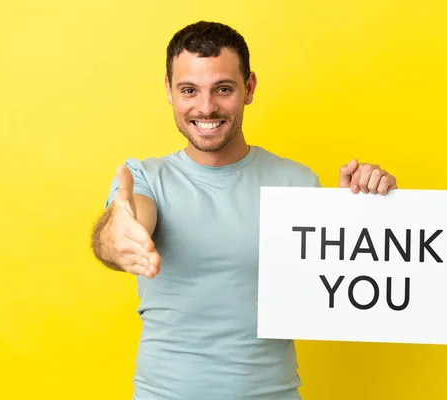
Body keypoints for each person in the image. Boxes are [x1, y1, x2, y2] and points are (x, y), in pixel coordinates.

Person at [91, 21, 398, 400]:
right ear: (169, 91)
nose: (206, 107)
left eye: (223, 89)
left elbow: (337, 285)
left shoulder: (296, 182)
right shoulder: (144, 177)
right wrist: (120, 233)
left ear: (248, 88)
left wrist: (365, 213)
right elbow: (130, 221)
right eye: (189, 90)